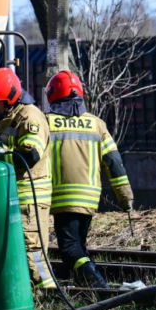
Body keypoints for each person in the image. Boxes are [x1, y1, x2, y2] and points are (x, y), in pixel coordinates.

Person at [45, 70, 133, 288]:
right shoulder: (97, 124)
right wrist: (125, 198)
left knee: (70, 248)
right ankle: (83, 290)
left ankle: (98, 284)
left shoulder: (47, 123)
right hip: (90, 198)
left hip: (63, 197)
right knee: (78, 245)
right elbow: (114, 162)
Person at [0, 67, 56, 290]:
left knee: (33, 250)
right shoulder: (8, 117)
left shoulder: (30, 117)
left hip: (29, 198)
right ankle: (24, 293)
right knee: (16, 250)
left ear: (9, 98)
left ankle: (47, 292)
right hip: (14, 196)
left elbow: (30, 156)